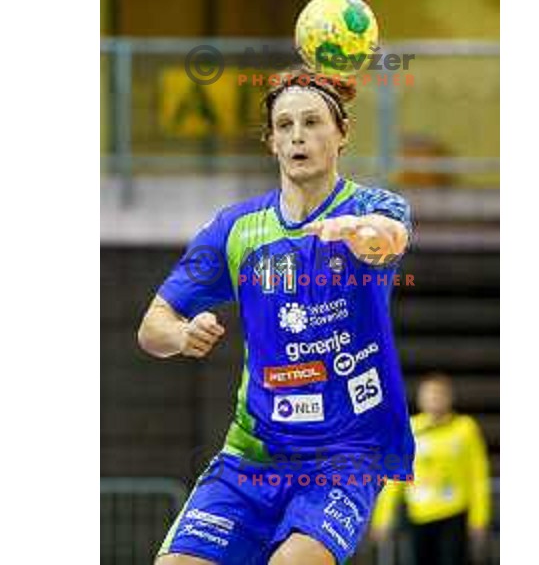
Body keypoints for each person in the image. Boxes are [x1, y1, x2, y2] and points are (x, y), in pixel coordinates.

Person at [138, 68, 415, 565]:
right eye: (284, 126)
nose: (298, 135)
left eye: (312, 122)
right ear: (271, 142)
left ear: (342, 134)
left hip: (346, 454)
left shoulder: (372, 204)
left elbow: (389, 238)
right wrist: (180, 335)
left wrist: (359, 233)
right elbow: (152, 326)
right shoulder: (236, 228)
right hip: (252, 453)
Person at [370, 373, 491, 565]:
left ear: (450, 398)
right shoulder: (409, 428)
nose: (435, 398)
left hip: (453, 514)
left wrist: (479, 518)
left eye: (440, 394)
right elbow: (395, 477)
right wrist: (383, 518)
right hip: (418, 514)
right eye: (429, 394)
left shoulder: (465, 428)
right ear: (420, 398)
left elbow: (477, 476)